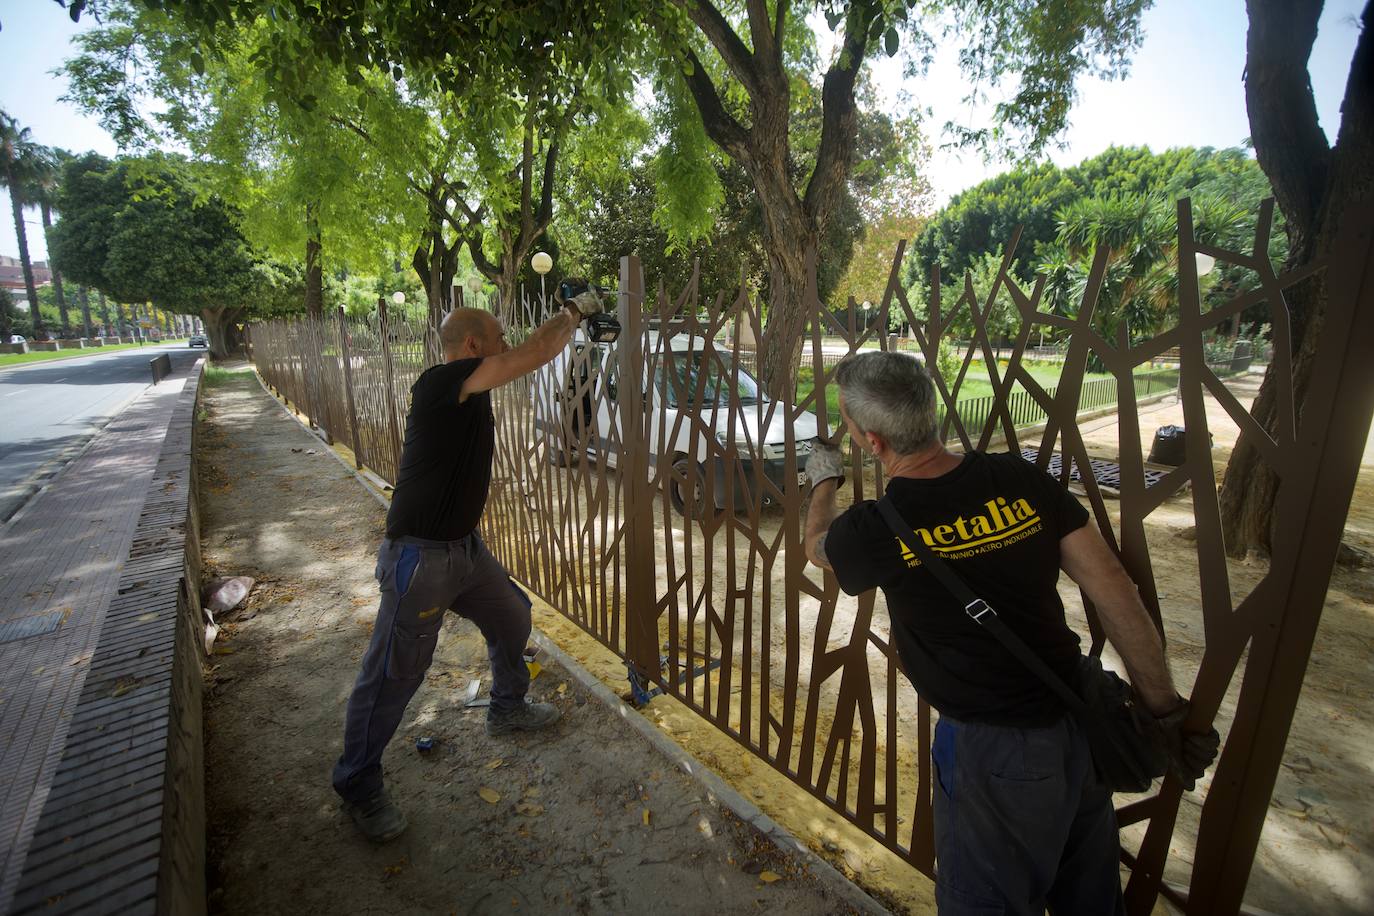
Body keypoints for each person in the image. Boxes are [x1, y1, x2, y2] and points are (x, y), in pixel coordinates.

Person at [802, 351, 1218, 915]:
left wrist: (823, 480)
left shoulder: (872, 532)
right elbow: (1114, 590)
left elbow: (816, 546)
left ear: (872, 442)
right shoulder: (1023, 482)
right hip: (1080, 722)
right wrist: (1163, 708)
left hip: (992, 753)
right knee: (1091, 903)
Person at [332, 288, 603, 843]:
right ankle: (358, 783)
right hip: (419, 559)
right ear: (475, 345)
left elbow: (518, 359)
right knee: (393, 675)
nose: (505, 350)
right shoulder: (438, 382)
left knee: (513, 617)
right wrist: (573, 312)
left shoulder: (471, 391)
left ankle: (507, 707)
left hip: (463, 550)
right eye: (498, 341)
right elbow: (532, 354)